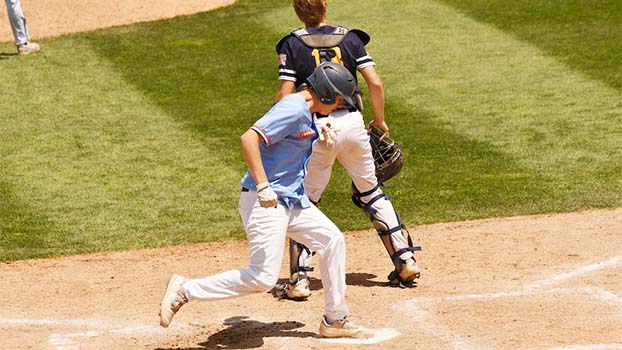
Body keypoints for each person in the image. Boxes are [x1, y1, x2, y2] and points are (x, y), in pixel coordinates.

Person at [159, 62, 374, 339]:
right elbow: (249, 138)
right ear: (326, 93)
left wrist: (316, 131)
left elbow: (289, 138)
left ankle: (336, 319)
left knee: (332, 240)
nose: (339, 107)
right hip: (267, 202)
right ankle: (185, 289)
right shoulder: (293, 108)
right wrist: (263, 186)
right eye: (338, 101)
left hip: (290, 201)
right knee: (262, 277)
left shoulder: (306, 110)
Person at [274, 0, 421, 299]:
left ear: (297, 9)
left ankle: (300, 279)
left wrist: (279, 130)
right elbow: (375, 84)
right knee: (370, 191)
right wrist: (379, 120)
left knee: (305, 198)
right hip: (354, 124)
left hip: (316, 128)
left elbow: (283, 96)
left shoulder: (292, 43)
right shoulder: (351, 38)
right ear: (325, 5)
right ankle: (405, 259)